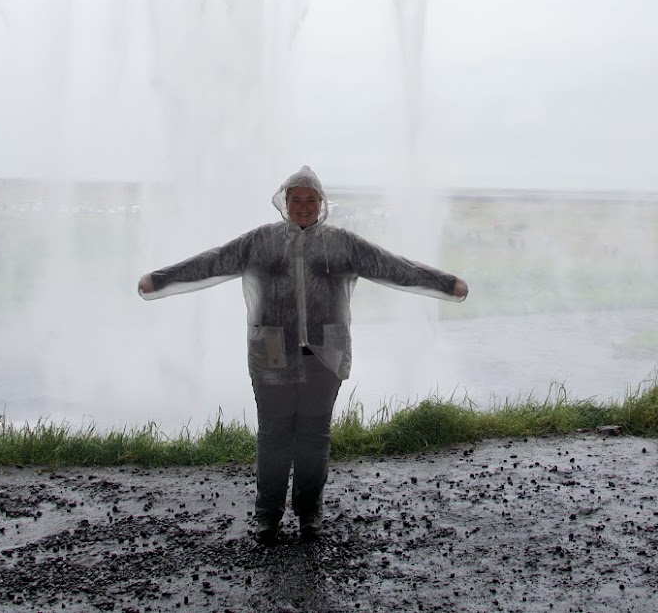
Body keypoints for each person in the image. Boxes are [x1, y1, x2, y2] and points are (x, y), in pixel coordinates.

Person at [138, 165, 468, 544]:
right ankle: (268, 518)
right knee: (274, 435)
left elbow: (393, 266)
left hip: (324, 355)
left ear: (322, 203)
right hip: (271, 353)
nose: (304, 206)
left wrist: (446, 283)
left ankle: (309, 513)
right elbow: (213, 260)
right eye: (297, 199)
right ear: (285, 202)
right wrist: (159, 279)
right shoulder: (259, 242)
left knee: (314, 436)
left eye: (311, 199)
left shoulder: (343, 243)